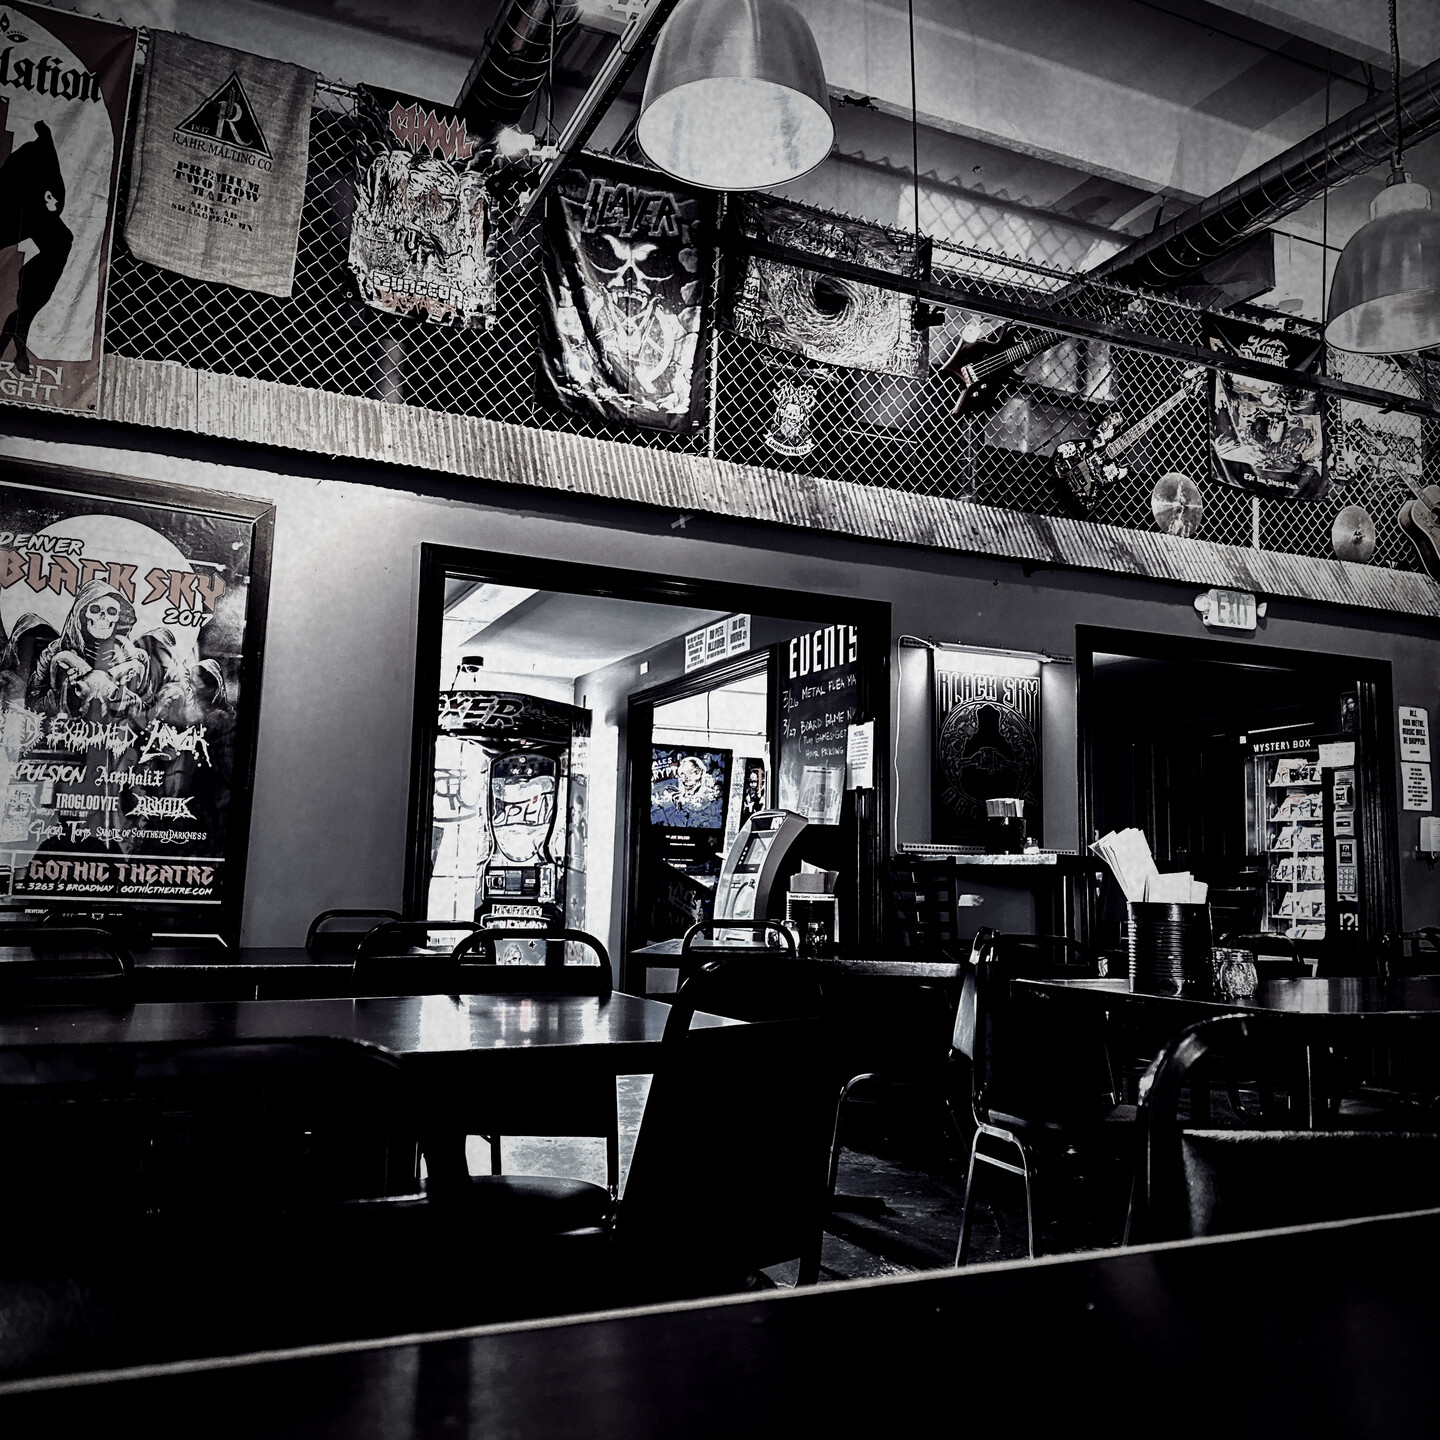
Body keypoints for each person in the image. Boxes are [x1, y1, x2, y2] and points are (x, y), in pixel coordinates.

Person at [0, 122, 73, 376]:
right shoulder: (25, 209)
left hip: (40, 275)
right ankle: (16, 351)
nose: (53, 202)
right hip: (35, 273)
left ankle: (15, 349)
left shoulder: (57, 232)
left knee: (26, 311)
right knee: (26, 311)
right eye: (48, 199)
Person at [29, 579, 150, 722]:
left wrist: (124, 696)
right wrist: (63, 692)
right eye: (95, 610)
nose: (103, 617)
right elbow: (32, 700)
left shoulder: (130, 655)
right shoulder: (53, 651)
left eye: (111, 612)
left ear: (118, 618)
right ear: (82, 613)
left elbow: (147, 707)